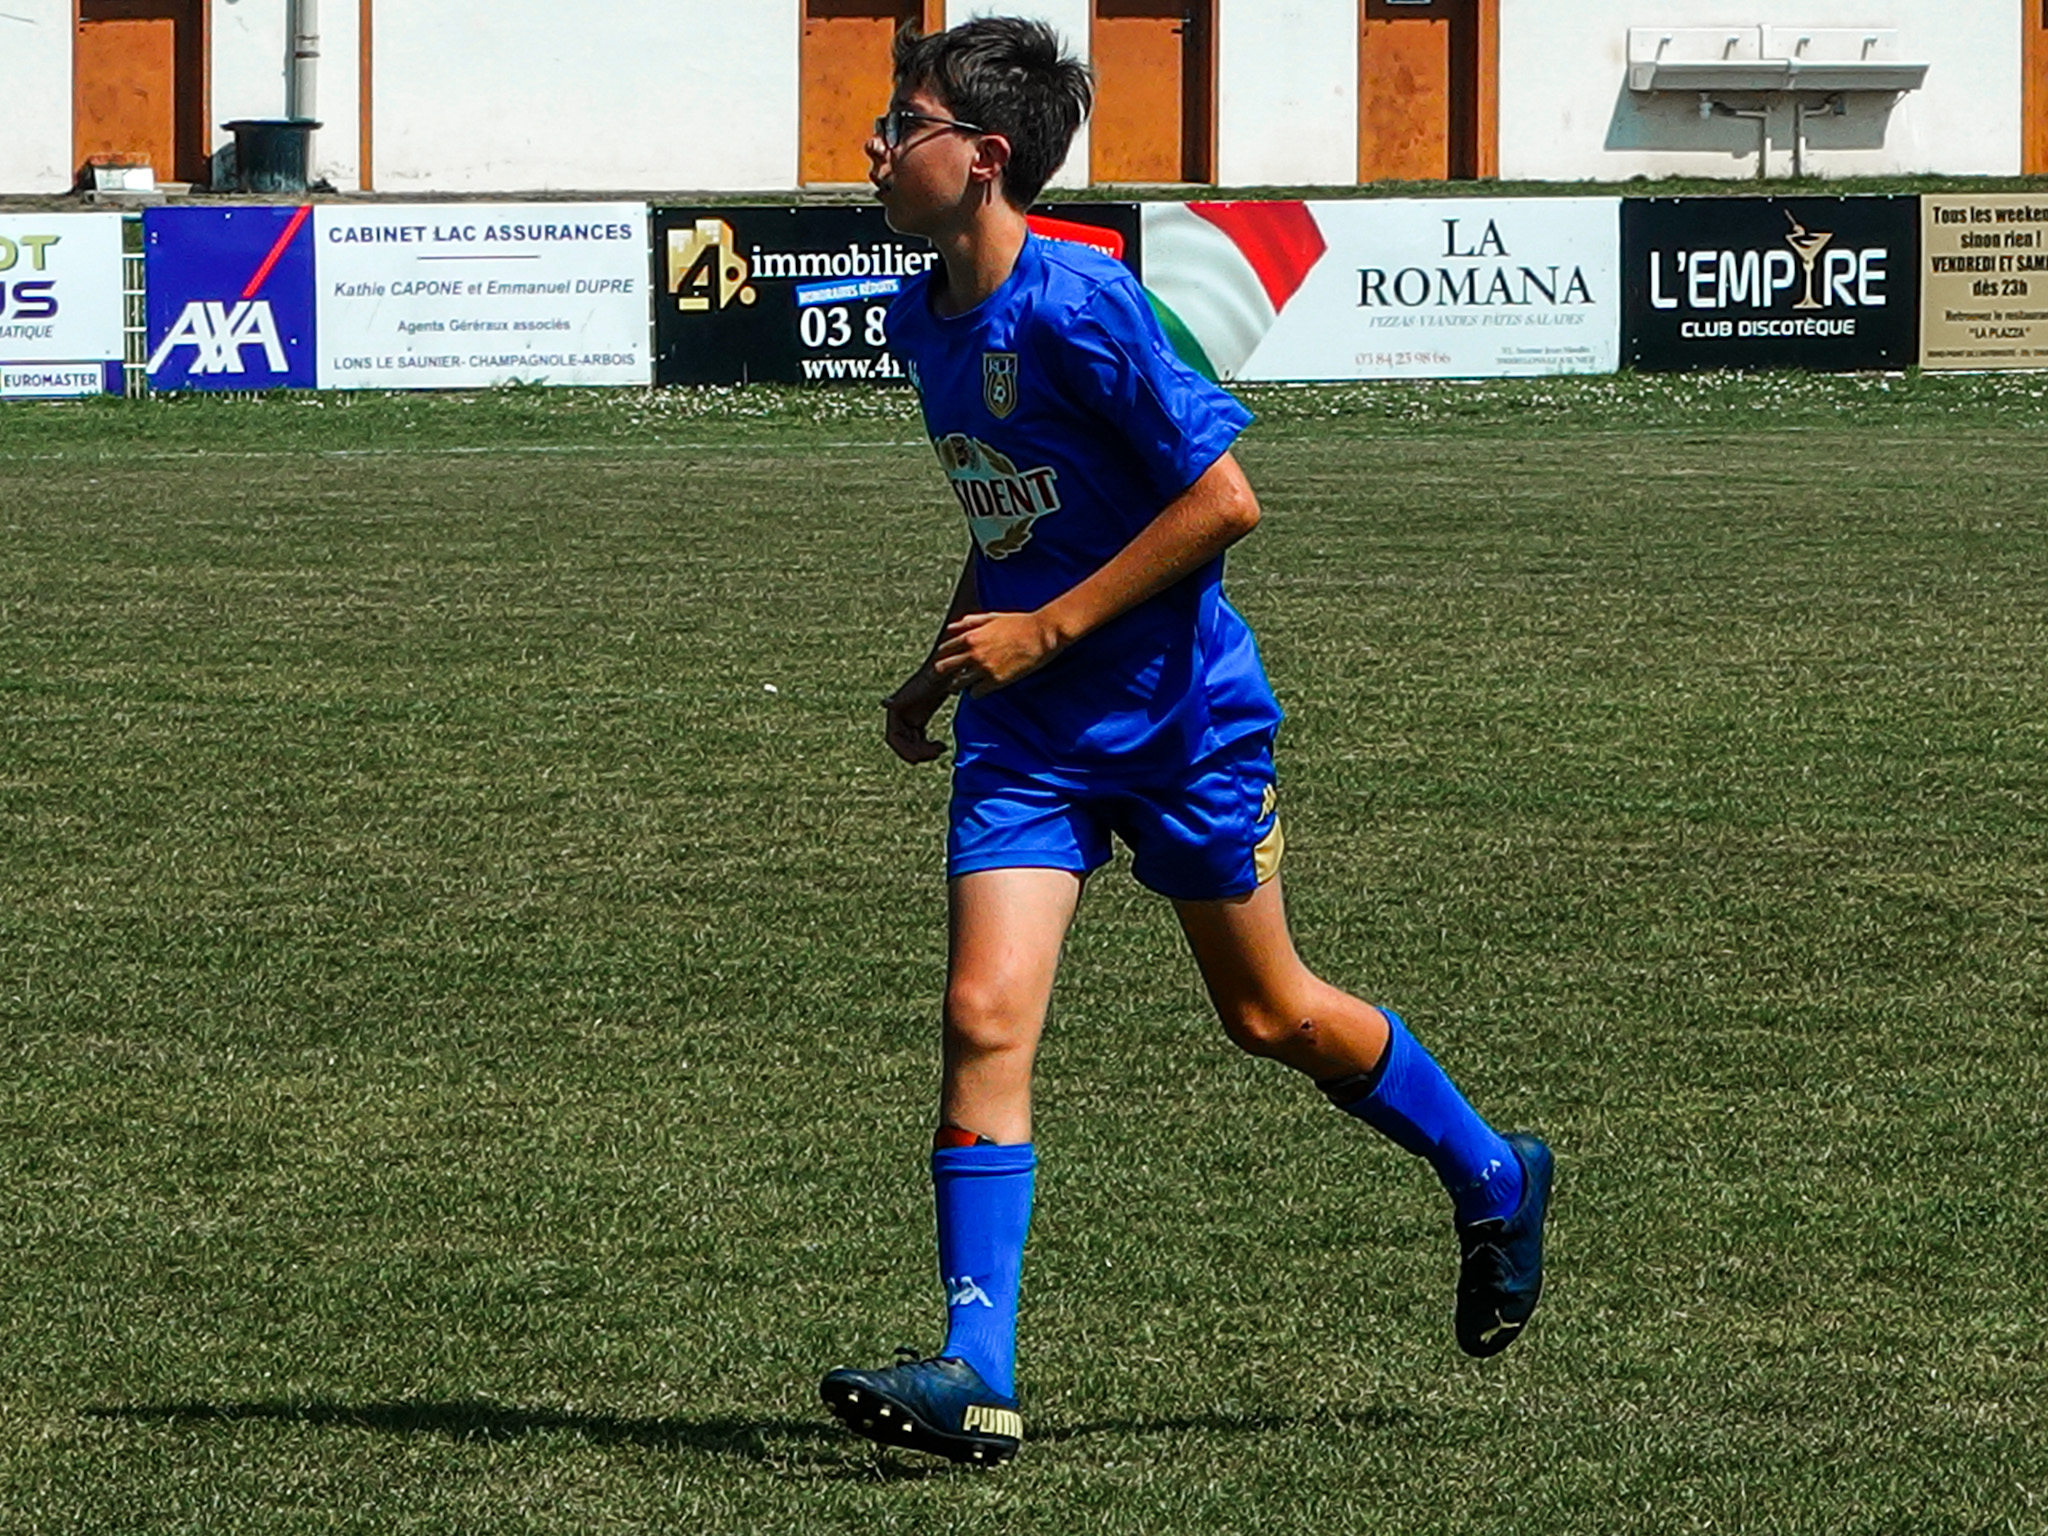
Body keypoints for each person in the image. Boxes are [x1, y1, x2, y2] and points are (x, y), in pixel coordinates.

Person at [820, 16, 1552, 1468]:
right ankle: (977, 1367)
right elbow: (1015, 521)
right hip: (1029, 736)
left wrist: (1042, 632)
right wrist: (939, 671)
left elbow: (1223, 502)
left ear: (987, 157)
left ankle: (1490, 1169)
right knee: (981, 1016)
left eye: (904, 123)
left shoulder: (1086, 300)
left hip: (1179, 725)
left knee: (1271, 1016)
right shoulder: (923, 317)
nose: (876, 146)